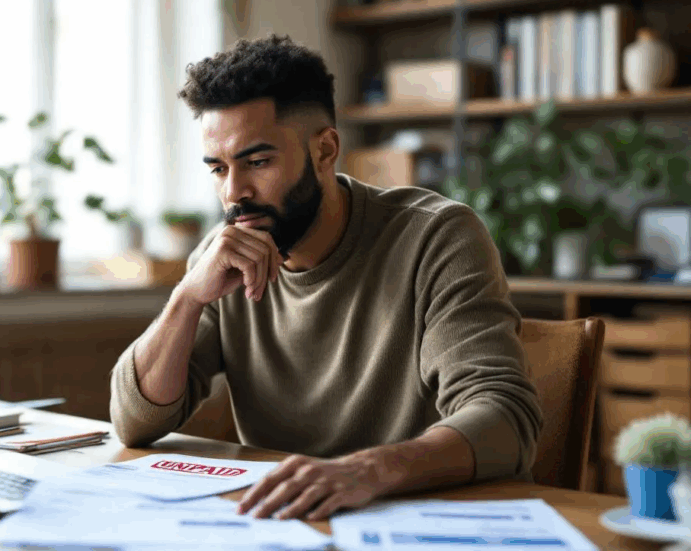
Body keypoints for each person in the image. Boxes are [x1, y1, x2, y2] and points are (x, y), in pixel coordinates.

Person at [108, 35, 543, 521]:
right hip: (293, 524)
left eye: (258, 162)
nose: (234, 193)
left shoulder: (435, 238)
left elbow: (506, 419)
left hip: (424, 522)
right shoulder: (222, 257)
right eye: (218, 169)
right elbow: (134, 422)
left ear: (325, 149)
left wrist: (370, 470)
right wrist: (187, 298)